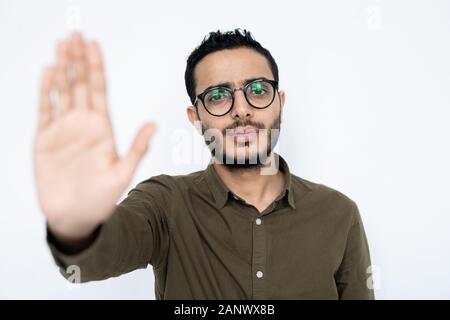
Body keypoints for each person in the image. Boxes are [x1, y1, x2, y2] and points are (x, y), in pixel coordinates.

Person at [34, 29, 375, 299]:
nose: (241, 110)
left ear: (279, 103)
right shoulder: (165, 202)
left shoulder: (339, 213)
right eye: (217, 96)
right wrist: (76, 223)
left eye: (257, 90)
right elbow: (94, 258)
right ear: (195, 118)